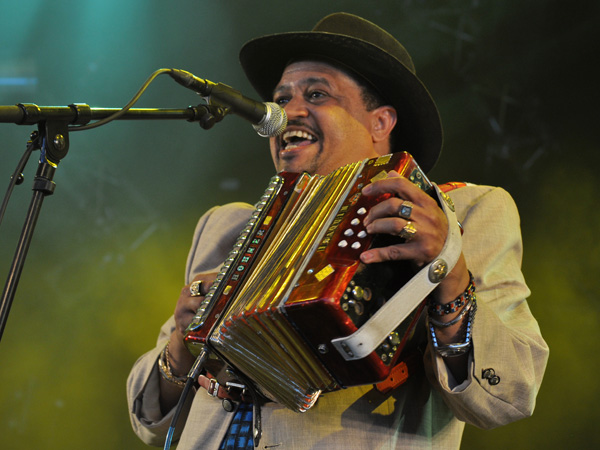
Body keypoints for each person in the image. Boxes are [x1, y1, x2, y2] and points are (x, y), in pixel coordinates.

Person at [127, 12, 549, 449]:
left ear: (380, 123)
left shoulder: (463, 212)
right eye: (281, 98)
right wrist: (182, 341)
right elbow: (148, 419)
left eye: (316, 94)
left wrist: (450, 271)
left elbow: (508, 397)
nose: (288, 111)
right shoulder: (226, 227)